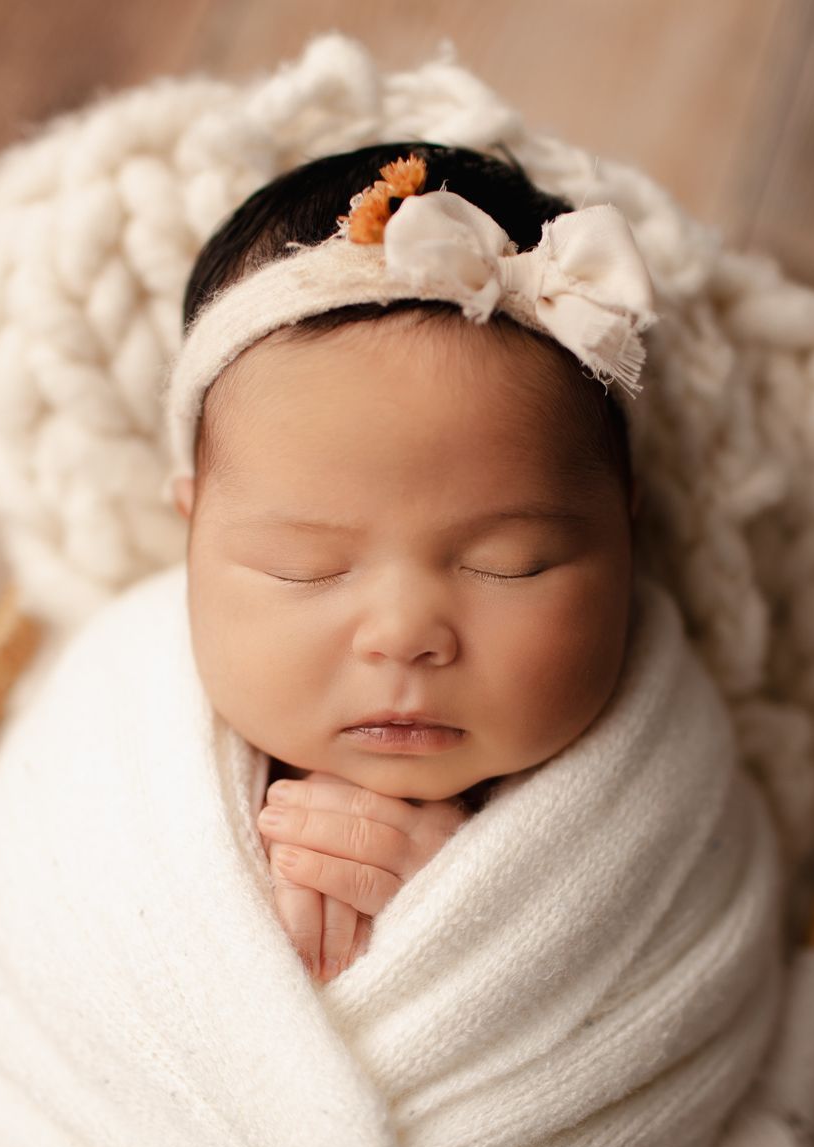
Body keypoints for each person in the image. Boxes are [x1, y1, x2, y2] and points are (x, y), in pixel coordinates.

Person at [166, 143, 653, 984]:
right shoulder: (123, 743)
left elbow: (687, 972)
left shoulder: (658, 789)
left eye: (512, 564)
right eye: (303, 566)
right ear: (191, 535)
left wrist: (485, 915)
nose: (402, 637)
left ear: (626, 536)